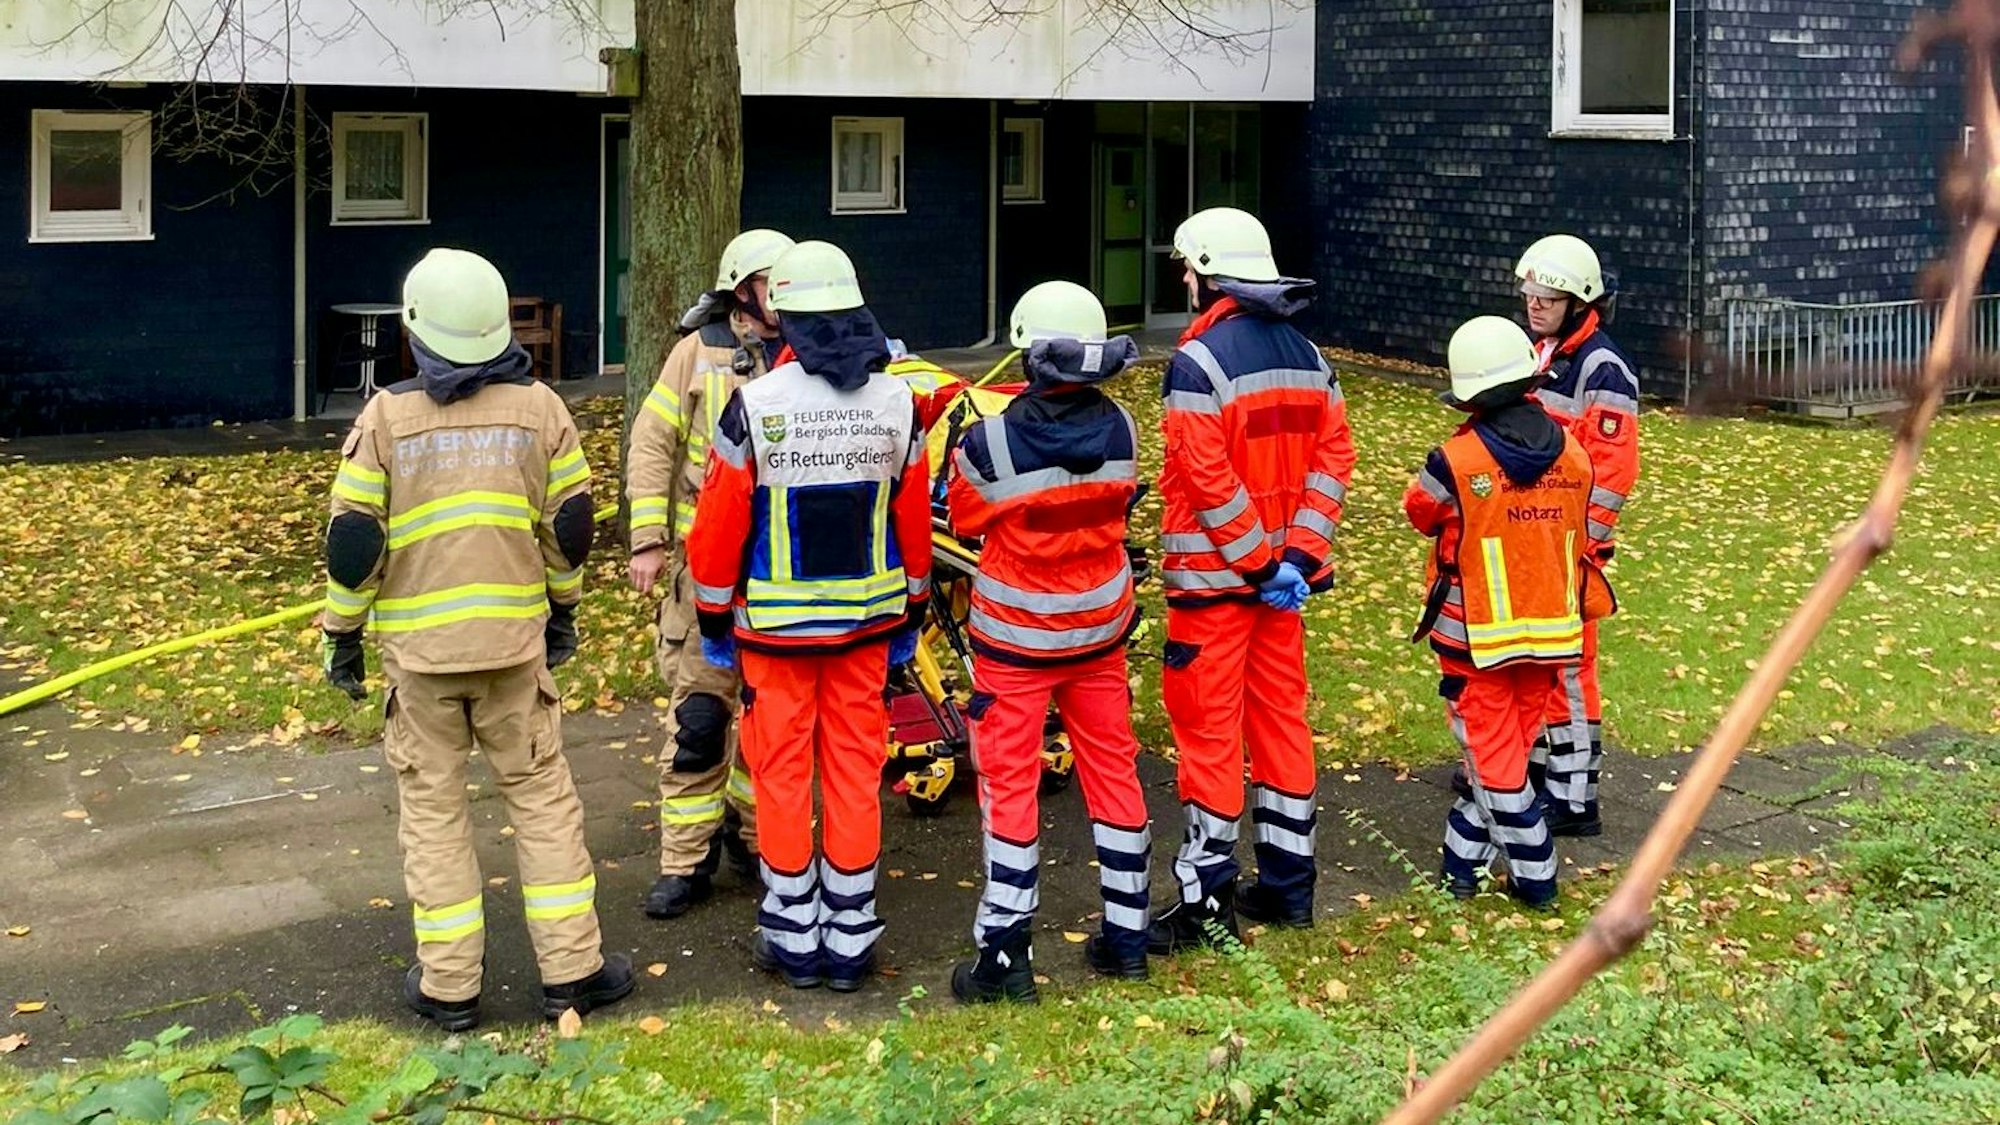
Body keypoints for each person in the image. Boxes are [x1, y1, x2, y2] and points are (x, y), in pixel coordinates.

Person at [321, 247, 633, 1031]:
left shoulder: (384, 418)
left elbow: (354, 542)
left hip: (422, 665)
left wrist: (343, 636)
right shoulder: (542, 411)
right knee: (542, 803)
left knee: (432, 812)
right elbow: (571, 532)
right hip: (514, 656)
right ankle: (573, 972)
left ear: (416, 329)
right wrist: (561, 613)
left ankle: (450, 986)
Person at [684, 240, 932, 992]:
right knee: (857, 775)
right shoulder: (899, 403)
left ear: (782, 314)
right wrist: (912, 612)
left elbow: (717, 531)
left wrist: (715, 619)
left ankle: (794, 938)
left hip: (776, 638)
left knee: (783, 777)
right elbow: (915, 528)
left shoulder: (755, 406)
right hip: (866, 632)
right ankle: (852, 936)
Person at [1150, 207, 1357, 952]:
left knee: (1208, 736)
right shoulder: (1310, 356)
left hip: (1214, 591)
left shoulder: (1197, 364)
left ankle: (1208, 904)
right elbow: (1334, 462)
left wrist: (1260, 561)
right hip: (1280, 593)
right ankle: (1290, 885)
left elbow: (1208, 481)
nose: (1183, 279)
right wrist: (1297, 558)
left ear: (1208, 274)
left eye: (1187, 268)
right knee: (1281, 725)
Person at [945, 281, 1152, 1003]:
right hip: (1099, 632)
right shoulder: (1124, 427)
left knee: (1010, 787)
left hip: (1015, 642)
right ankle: (1129, 936)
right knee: (1113, 774)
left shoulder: (990, 441)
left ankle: (1005, 958)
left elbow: (964, 517)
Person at [1403, 315, 1610, 909]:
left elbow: (1421, 512)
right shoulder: (1574, 454)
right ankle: (1459, 866)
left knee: (1496, 768)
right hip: (1552, 634)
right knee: (1510, 753)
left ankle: (1537, 874)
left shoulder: (1454, 459)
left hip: (1474, 641)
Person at [626, 228, 795, 920]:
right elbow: (652, 441)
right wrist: (647, 539)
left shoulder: (810, 353)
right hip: (707, 563)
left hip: (781, 565)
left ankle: (755, 837)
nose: (780, 296)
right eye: (768, 282)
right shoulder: (696, 354)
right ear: (740, 288)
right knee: (700, 716)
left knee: (768, 717)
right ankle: (684, 861)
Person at [1515, 234, 1641, 837]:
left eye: (1548, 296)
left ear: (1579, 300)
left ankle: (1572, 796)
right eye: (1530, 293)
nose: (1534, 304)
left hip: (1569, 547)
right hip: (1539, 539)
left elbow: (1612, 472)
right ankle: (1539, 770)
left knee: (1569, 667)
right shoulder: (1545, 353)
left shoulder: (1601, 367)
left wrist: (1582, 545)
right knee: (1539, 660)